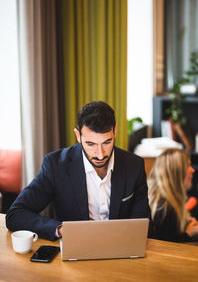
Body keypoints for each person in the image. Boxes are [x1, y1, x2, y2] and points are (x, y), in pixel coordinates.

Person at [6, 101, 150, 240]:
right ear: (78, 136)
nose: (100, 154)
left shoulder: (134, 165)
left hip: (122, 248)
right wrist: (61, 229)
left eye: (107, 142)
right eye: (91, 144)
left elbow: (143, 222)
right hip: (75, 249)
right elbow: (15, 214)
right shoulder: (56, 166)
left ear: (115, 131)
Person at [148, 148, 198, 242]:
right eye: (188, 165)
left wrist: (186, 223)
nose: (192, 170)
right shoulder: (164, 208)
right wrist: (188, 233)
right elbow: (167, 247)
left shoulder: (167, 202)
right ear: (176, 172)